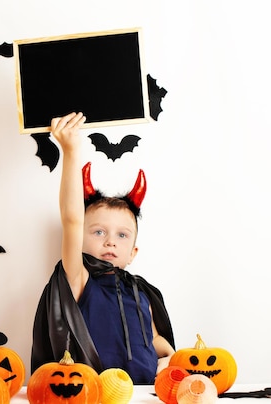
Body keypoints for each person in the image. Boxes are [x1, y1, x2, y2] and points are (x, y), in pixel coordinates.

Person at [31, 112, 175, 384]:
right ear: (80, 241)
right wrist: (72, 150)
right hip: (92, 394)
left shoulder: (142, 292)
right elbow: (72, 219)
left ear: (133, 252)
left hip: (144, 394)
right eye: (98, 232)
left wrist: (174, 357)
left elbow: (152, 338)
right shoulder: (79, 279)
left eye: (122, 235)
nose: (110, 241)